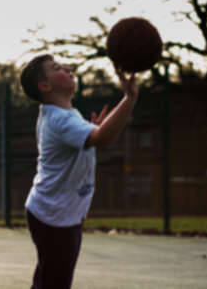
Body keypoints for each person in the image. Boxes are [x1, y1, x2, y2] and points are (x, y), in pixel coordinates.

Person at [20, 54, 138, 289]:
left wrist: (94, 129)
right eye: (57, 68)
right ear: (45, 86)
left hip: (50, 211)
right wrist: (129, 97)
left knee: (48, 279)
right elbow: (103, 138)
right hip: (54, 216)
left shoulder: (59, 114)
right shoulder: (61, 120)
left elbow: (93, 137)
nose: (68, 68)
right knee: (56, 282)